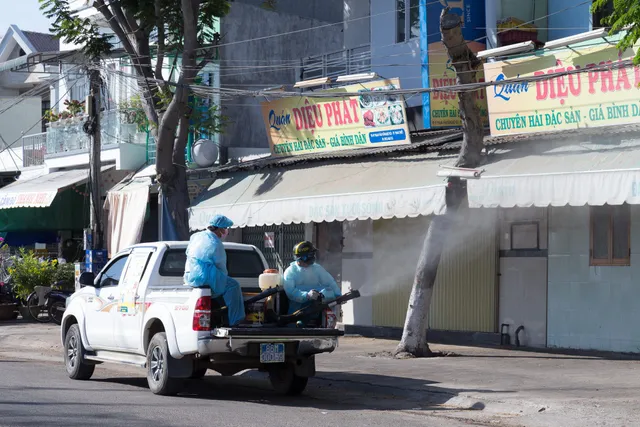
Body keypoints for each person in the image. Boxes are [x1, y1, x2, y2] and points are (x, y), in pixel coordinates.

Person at [183, 214, 245, 326]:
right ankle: (235, 321)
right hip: (205, 276)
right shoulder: (216, 243)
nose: (226, 231)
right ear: (220, 229)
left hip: (190, 276)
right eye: (225, 228)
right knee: (233, 285)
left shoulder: (197, 236)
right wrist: (223, 279)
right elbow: (221, 266)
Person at [282, 241, 342, 315]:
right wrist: (307, 295)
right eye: (311, 255)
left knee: (328, 291)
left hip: (317, 311)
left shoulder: (317, 268)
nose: (313, 257)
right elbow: (290, 292)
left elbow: (330, 282)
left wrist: (338, 295)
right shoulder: (290, 271)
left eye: (313, 254)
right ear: (303, 257)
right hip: (296, 313)